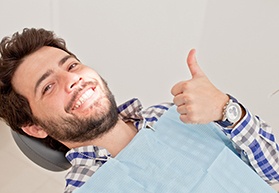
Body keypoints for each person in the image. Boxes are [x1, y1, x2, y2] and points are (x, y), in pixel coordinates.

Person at [0, 28, 278, 193]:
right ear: (35, 127)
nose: (72, 79)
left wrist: (227, 109)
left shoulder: (177, 113)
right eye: (47, 87)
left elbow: (273, 170)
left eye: (71, 66)